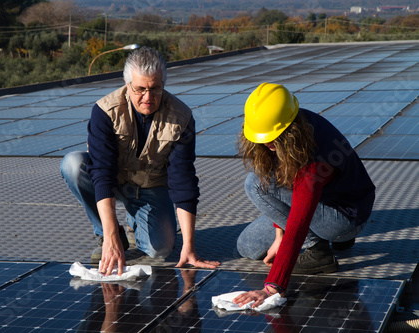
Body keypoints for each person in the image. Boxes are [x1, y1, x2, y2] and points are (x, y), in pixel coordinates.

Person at [60, 46, 220, 276]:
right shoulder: (105, 111)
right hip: (114, 180)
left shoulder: (181, 117)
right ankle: (108, 233)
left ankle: (136, 224)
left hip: (151, 186)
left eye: (155, 89)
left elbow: (182, 179)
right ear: (127, 85)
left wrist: (189, 247)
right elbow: (102, 173)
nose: (148, 97)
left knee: (160, 249)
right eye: (140, 89)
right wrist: (111, 237)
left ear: (164, 85)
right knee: (73, 164)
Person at [232, 82, 375, 308]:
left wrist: (272, 287)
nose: (267, 142)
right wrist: (279, 235)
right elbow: (282, 184)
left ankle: (319, 253)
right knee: (247, 246)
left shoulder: (313, 159)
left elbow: (299, 221)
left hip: (345, 215)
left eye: (272, 136)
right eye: (262, 137)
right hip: (322, 203)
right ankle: (335, 241)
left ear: (288, 128)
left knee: (255, 185)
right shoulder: (292, 121)